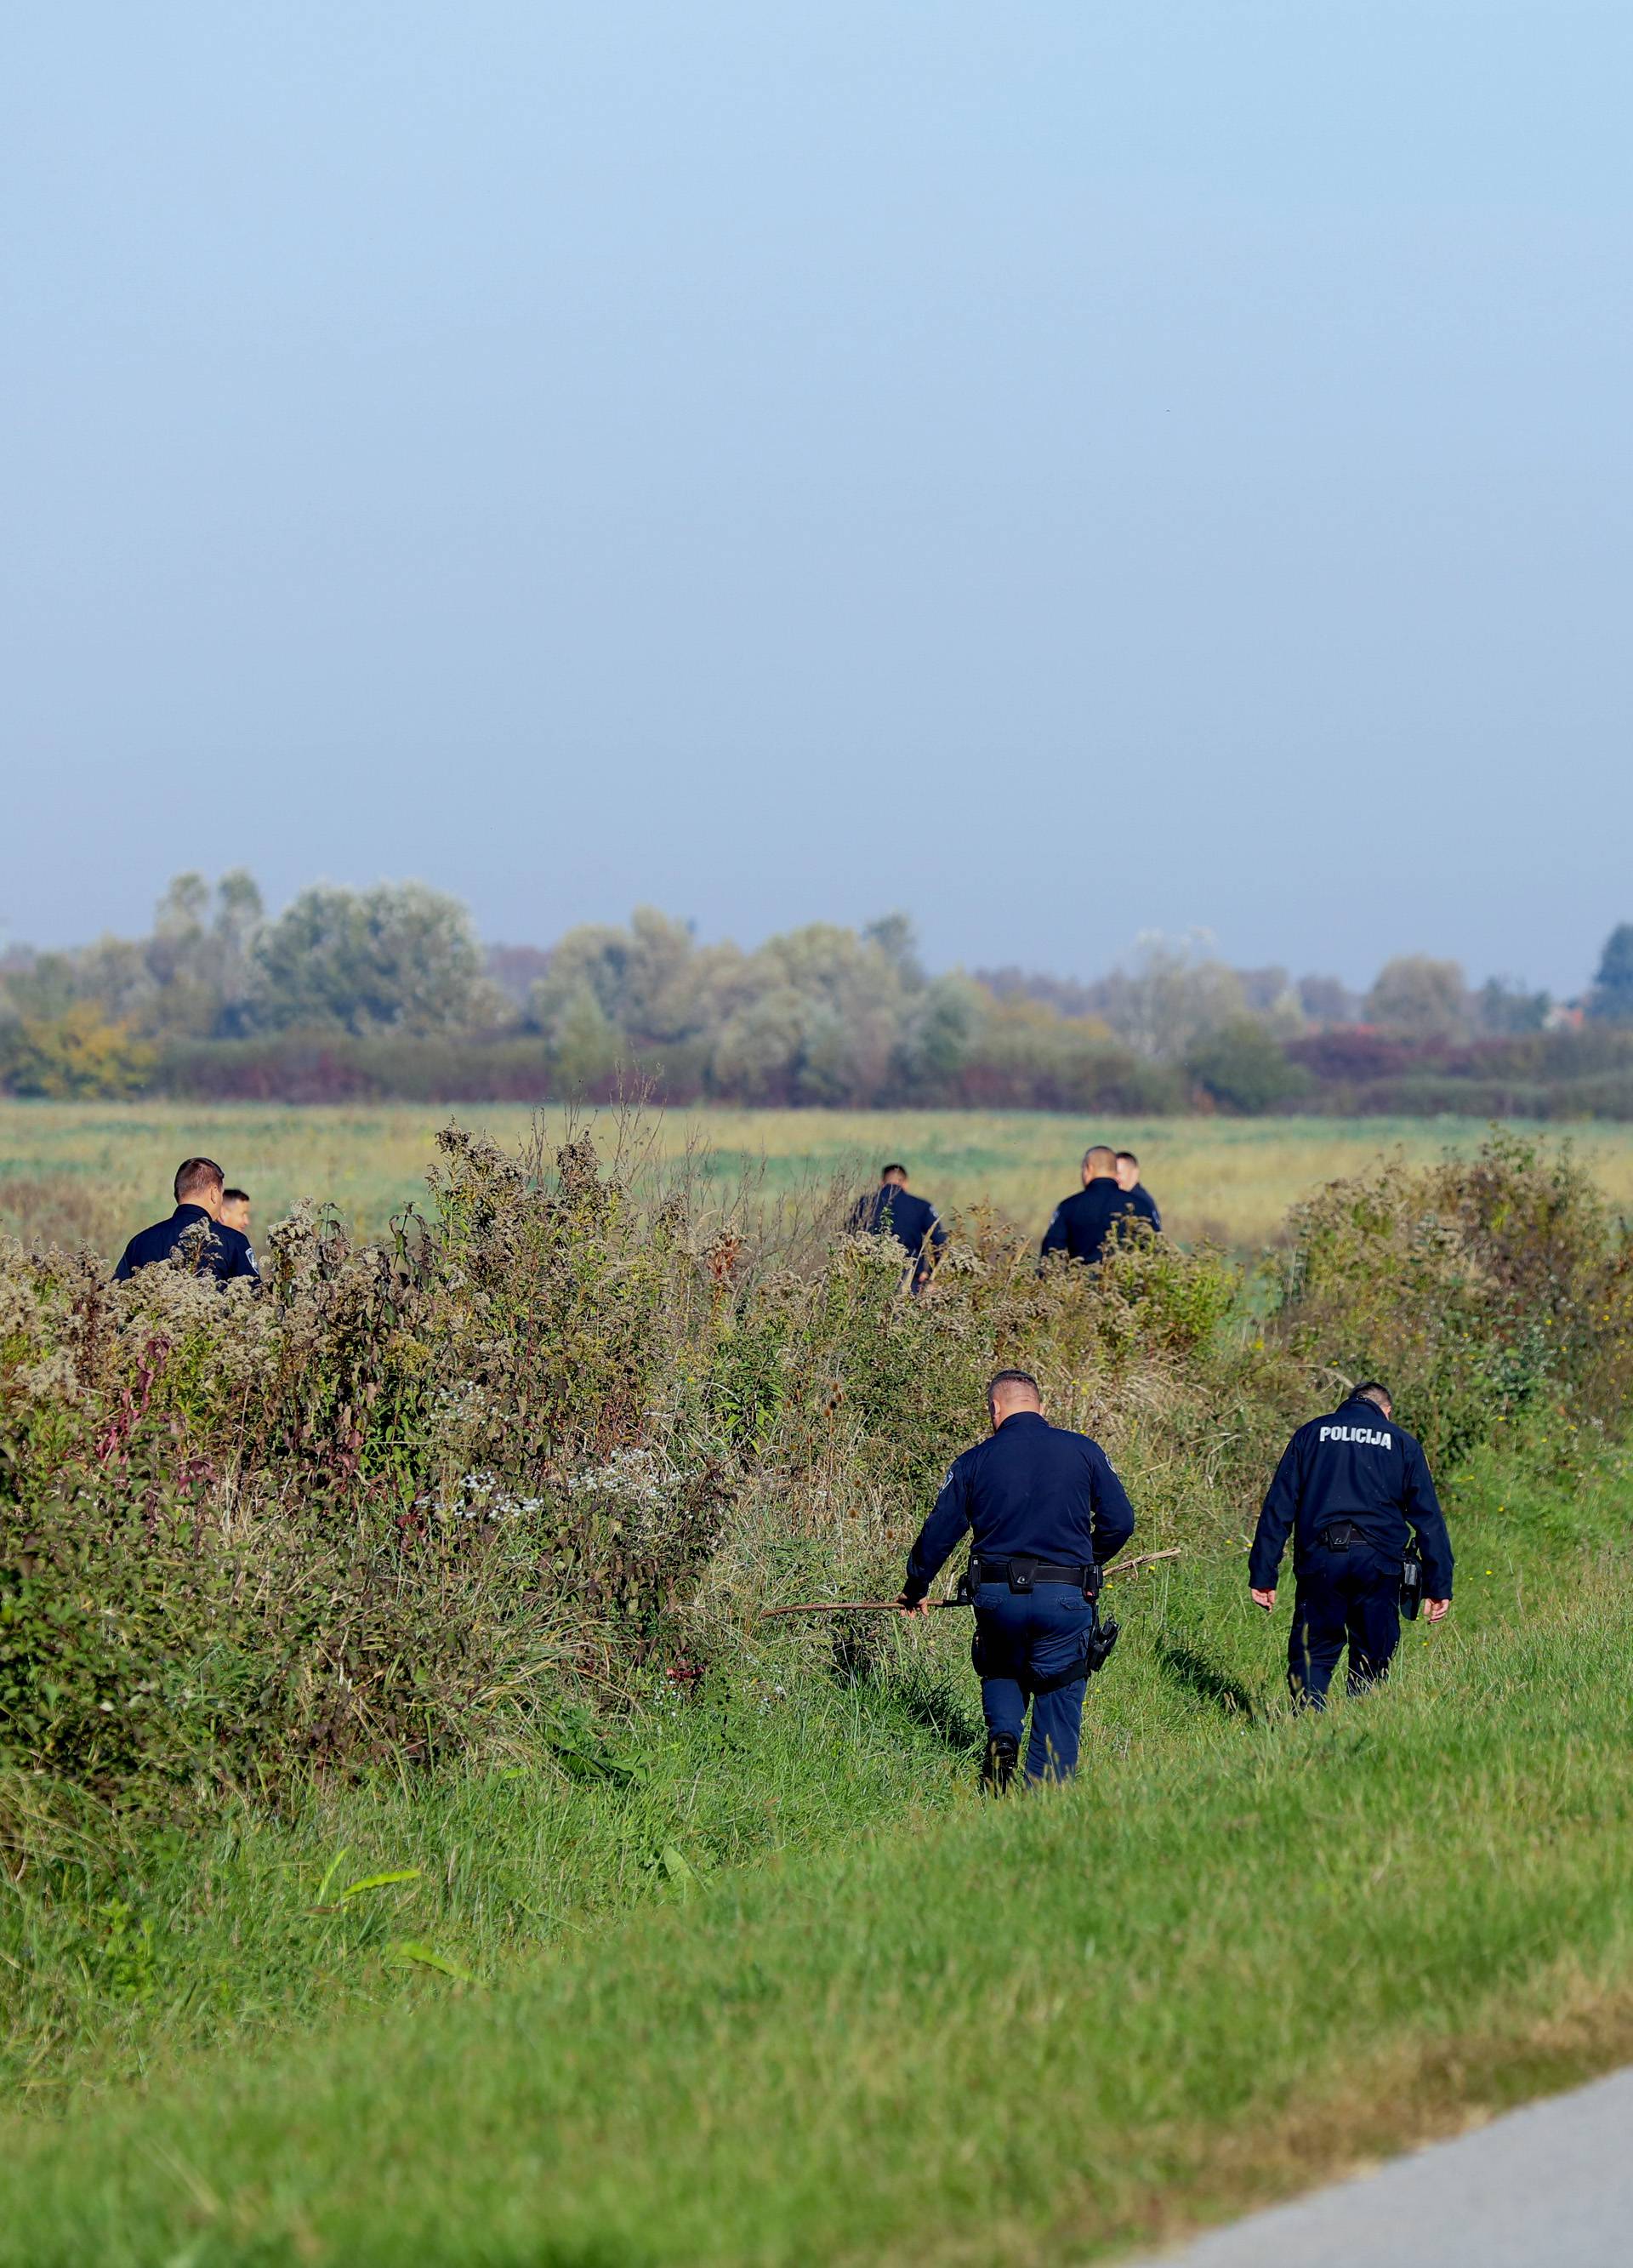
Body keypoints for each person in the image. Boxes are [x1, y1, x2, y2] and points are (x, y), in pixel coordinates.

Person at [896, 1369, 1135, 1789]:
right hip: (1065, 1596)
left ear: (995, 1409)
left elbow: (939, 1532)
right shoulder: (1084, 1451)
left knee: (1001, 1666)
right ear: (1041, 1407)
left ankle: (1004, 1737)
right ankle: (1043, 1796)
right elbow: (1121, 1522)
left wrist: (916, 1586)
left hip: (996, 1598)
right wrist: (1083, 1565)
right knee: (1059, 1683)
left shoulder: (973, 1461)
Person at [1249, 1380, 1452, 1707]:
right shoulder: (1402, 1443)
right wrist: (1439, 1585)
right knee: (1373, 1654)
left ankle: (1307, 1725)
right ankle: (1360, 1725)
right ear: (1386, 1411)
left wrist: (1263, 1574)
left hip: (1321, 1560)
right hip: (1379, 1563)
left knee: (1313, 1651)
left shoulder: (1311, 1434)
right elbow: (1428, 1519)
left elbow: (1278, 1507)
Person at [113, 1157, 259, 1285]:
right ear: (214, 1193)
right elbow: (254, 1298)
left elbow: (117, 1297)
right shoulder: (233, 1241)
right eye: (221, 1194)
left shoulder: (140, 1242)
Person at [1040, 1144, 1147, 1267]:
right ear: (1115, 1170)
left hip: (1080, 1283)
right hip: (1127, 1283)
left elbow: (1051, 1254)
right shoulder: (1140, 1206)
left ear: (1088, 1168)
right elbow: (1154, 1250)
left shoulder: (1069, 1207)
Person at [851, 1163, 947, 1289]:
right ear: (905, 1183)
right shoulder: (921, 1206)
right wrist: (931, 1275)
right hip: (910, 1279)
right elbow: (941, 1244)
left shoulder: (864, 1204)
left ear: (882, 1182)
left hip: (870, 1279)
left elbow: (849, 1238)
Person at [1112, 1150, 1161, 1232]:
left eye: (1119, 1173)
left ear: (1135, 1172)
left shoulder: (1140, 1202)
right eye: (1113, 1174)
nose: (1116, 1178)